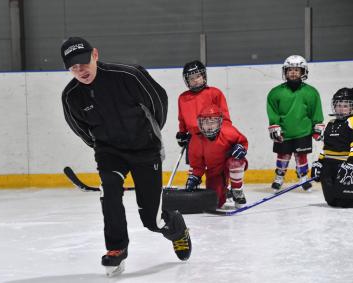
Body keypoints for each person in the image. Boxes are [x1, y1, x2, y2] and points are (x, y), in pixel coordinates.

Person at [60, 37, 192, 276]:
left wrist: (150, 132)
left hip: (145, 148)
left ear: (95, 55)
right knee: (109, 191)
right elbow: (81, 129)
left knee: (152, 221)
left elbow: (158, 102)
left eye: (84, 63)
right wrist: (101, 145)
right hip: (110, 152)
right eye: (74, 67)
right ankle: (116, 248)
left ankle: (176, 227)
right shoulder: (71, 96)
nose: (81, 71)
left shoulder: (128, 76)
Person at [266, 55, 324, 192]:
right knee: (282, 156)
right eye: (290, 69)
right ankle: (279, 177)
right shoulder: (275, 93)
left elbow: (315, 111)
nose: (293, 72)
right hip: (284, 132)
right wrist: (275, 125)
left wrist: (317, 126)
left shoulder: (311, 92)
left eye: (297, 70)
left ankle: (303, 178)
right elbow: (272, 111)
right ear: (285, 72)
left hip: (303, 131)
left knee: (301, 156)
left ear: (303, 72)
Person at [185, 104, 248, 209]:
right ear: (200, 123)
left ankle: (237, 190)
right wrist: (195, 176)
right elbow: (197, 164)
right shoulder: (196, 139)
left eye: (212, 122)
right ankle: (225, 191)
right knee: (215, 203)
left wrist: (241, 148)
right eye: (205, 123)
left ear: (220, 122)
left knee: (235, 162)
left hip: (229, 164)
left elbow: (243, 142)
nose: (209, 126)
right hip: (214, 172)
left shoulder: (229, 131)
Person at [176, 60, 231, 151]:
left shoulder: (215, 93)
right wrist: (182, 133)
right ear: (187, 80)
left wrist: (224, 135)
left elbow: (225, 119)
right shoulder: (183, 98)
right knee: (196, 165)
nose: (195, 80)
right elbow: (182, 119)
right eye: (191, 78)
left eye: (198, 76)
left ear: (203, 76)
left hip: (214, 138)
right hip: (194, 140)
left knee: (215, 164)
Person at [312, 88, 353, 208]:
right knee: (331, 200)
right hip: (329, 165)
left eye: (345, 105)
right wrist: (319, 162)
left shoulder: (351, 121)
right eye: (338, 105)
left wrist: (351, 163)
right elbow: (326, 147)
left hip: (345, 166)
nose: (341, 108)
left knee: (346, 201)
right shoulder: (331, 123)